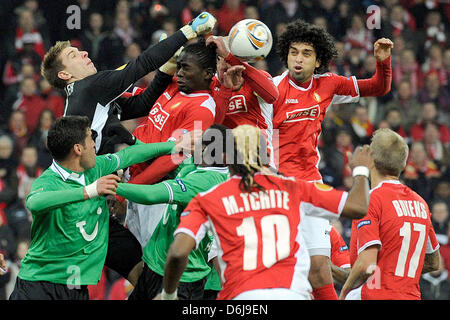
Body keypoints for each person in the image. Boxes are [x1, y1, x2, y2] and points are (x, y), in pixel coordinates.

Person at [39, 12, 217, 287]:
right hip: (81, 209)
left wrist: (166, 69)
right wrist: (188, 31)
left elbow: (141, 105)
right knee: (132, 277)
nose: (84, 53)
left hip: (89, 204)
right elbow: (140, 63)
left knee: (141, 275)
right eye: (74, 55)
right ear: (65, 75)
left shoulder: (91, 99)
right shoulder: (90, 87)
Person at [158, 124, 371, 300]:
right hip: (293, 293)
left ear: (226, 156)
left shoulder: (209, 198)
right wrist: (361, 170)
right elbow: (358, 206)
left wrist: (168, 295)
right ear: (266, 155)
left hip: (242, 296)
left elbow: (177, 253)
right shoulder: (292, 187)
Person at [8, 115, 197, 300]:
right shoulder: (49, 181)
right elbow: (34, 202)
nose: (94, 145)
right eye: (91, 138)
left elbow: (128, 156)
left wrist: (173, 145)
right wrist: (89, 191)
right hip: (39, 285)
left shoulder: (95, 167)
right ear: (78, 148)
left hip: (76, 286)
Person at [271, 19, 393, 300]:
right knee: (283, 267)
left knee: (320, 271)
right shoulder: (272, 90)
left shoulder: (328, 85)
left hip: (312, 185)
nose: (298, 59)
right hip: (280, 187)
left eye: (306, 53)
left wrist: (383, 63)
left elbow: (378, 87)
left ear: (318, 61)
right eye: (293, 52)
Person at [123, 38, 242, 248]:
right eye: (178, 66)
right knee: (136, 264)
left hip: (155, 194)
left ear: (206, 73)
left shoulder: (202, 109)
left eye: (185, 68)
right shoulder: (173, 86)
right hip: (134, 180)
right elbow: (146, 125)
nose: (179, 73)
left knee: (154, 264)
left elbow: (170, 160)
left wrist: (127, 190)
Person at [116, 124, 231, 300]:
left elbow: (151, 195)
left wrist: (113, 188)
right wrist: (133, 140)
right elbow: (164, 161)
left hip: (179, 279)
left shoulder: (207, 182)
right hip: (155, 266)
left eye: (205, 143)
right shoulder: (199, 164)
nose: (198, 144)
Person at [340, 128, 441, 300]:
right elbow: (433, 262)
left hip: (375, 294)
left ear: (371, 160)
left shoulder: (371, 199)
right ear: (402, 165)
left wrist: (343, 293)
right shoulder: (421, 203)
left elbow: (366, 265)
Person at [206, 35, 279, 166]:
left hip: (258, 157)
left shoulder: (257, 79)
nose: (225, 63)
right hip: (222, 161)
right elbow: (213, 126)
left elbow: (272, 96)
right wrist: (226, 89)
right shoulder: (211, 85)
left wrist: (235, 62)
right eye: (220, 58)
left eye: (229, 58)